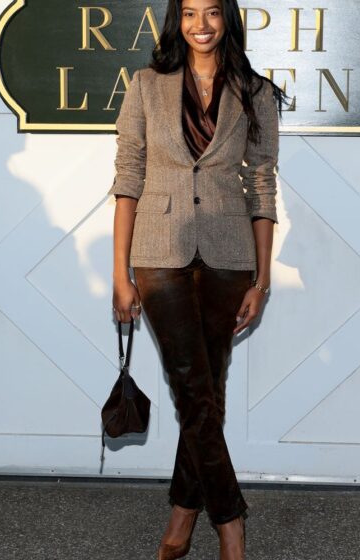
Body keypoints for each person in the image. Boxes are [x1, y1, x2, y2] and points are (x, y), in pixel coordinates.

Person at [108, 0, 287, 557]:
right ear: (175, 21)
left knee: (206, 391)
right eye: (189, 13)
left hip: (229, 253)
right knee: (193, 385)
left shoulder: (254, 92)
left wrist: (262, 279)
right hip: (158, 251)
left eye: (211, 13)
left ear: (226, 19)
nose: (200, 25)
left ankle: (184, 517)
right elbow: (129, 176)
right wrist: (119, 272)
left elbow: (262, 184)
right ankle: (229, 523)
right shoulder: (146, 84)